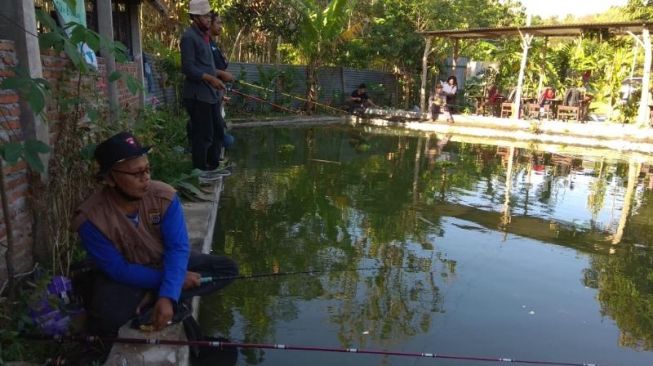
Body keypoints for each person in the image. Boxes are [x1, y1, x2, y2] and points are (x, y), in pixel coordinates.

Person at [73, 132, 238, 336]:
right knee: (107, 316)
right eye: (136, 173)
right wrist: (171, 281)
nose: (146, 178)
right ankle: (164, 291)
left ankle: (151, 296)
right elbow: (118, 269)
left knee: (227, 269)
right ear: (110, 178)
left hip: (163, 260)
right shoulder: (90, 219)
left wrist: (167, 293)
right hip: (128, 274)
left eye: (147, 169)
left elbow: (177, 248)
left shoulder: (164, 197)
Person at [180, 0, 227, 181]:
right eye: (205, 16)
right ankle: (200, 171)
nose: (208, 19)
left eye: (209, 16)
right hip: (197, 96)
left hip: (210, 95)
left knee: (218, 132)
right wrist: (210, 78)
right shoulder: (189, 38)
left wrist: (218, 75)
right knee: (203, 135)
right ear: (194, 17)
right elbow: (188, 68)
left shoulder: (204, 37)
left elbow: (206, 66)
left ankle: (212, 167)